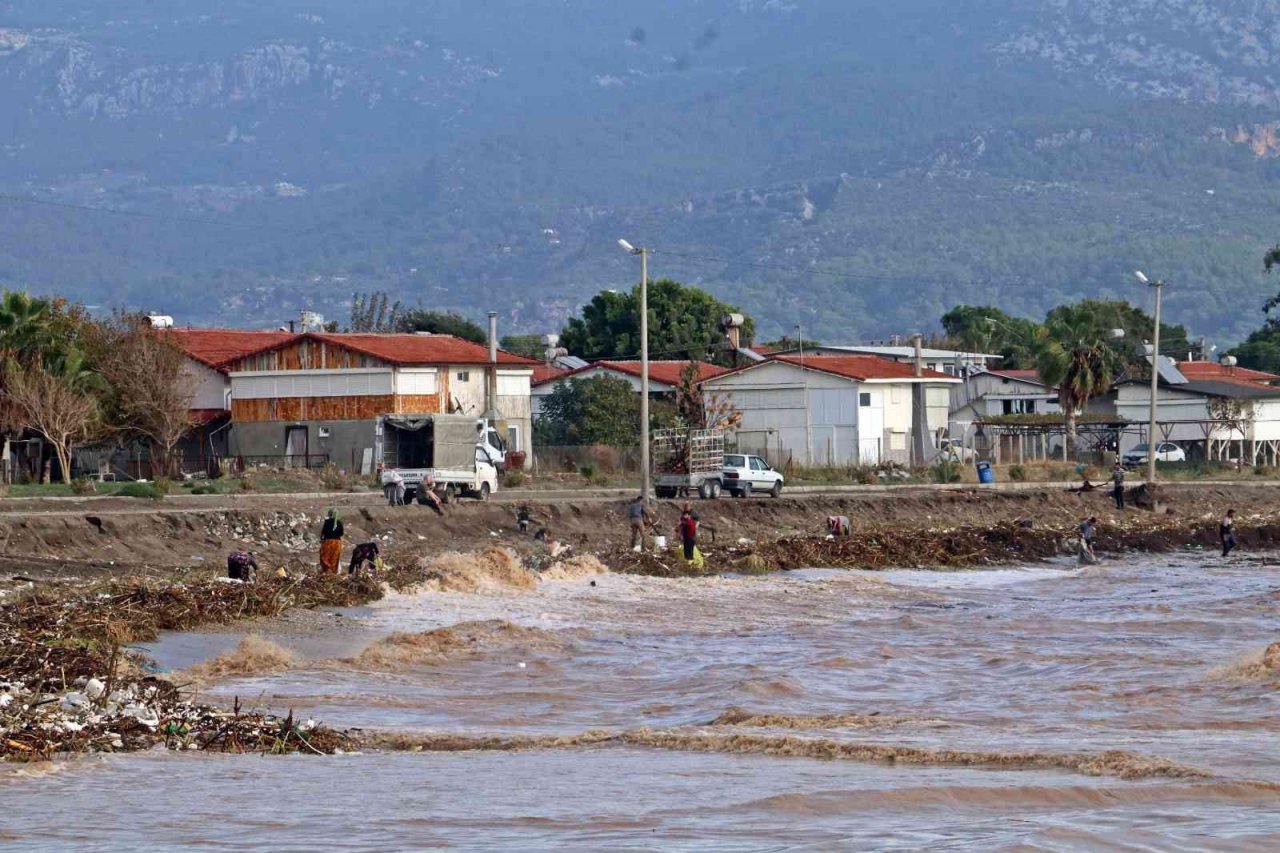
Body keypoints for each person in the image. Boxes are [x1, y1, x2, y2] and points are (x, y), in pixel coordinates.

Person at [319, 508, 344, 573]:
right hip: (337, 543)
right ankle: (333, 573)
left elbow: (323, 533)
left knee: (324, 557)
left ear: (329, 514)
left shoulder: (327, 521)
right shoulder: (339, 522)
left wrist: (321, 539)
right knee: (334, 559)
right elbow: (341, 534)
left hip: (328, 542)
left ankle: (326, 572)